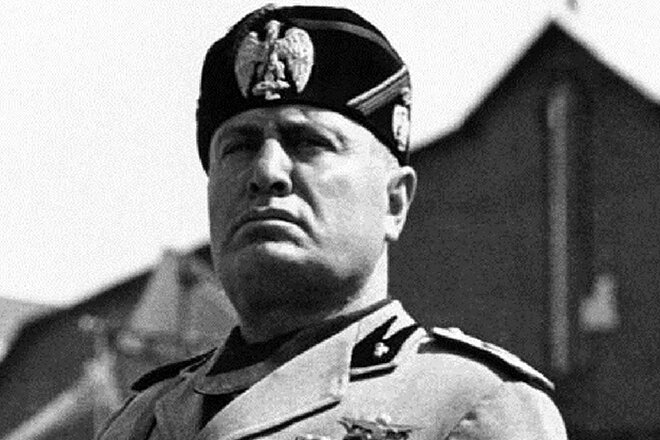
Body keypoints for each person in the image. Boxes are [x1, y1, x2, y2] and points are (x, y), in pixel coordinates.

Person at [97, 4, 567, 440]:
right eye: (239, 146)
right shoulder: (141, 419)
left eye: (307, 142)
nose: (266, 171)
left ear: (394, 202)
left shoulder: (470, 405)